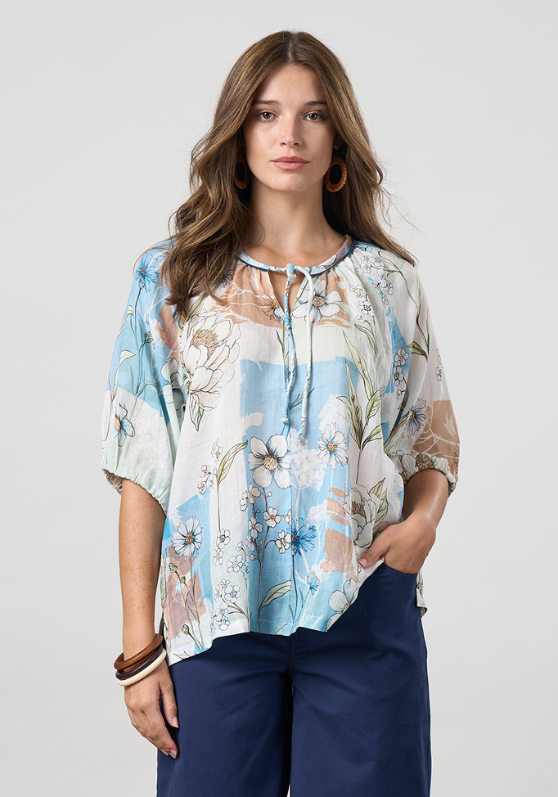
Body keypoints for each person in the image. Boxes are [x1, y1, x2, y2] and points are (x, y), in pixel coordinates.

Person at [101, 29, 460, 797]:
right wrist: (138, 648)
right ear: (239, 135)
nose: (289, 134)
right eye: (266, 114)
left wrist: (423, 524)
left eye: (313, 114)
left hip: (363, 608)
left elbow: (430, 438)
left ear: (339, 141)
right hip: (215, 620)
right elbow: (143, 466)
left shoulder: (389, 284)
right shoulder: (172, 280)